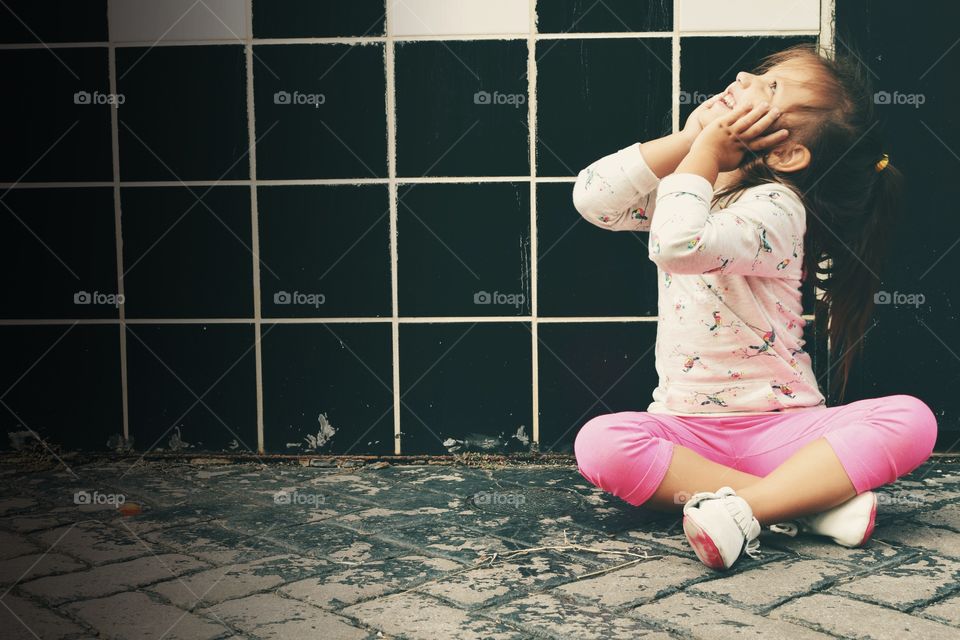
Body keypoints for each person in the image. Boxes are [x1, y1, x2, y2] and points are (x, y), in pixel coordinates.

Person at [571, 44, 938, 570]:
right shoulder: (700, 189)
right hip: (686, 430)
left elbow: (678, 246)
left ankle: (749, 506)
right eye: (762, 75)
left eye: (770, 88)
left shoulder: (777, 208)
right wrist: (687, 142)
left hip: (782, 430)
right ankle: (799, 506)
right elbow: (593, 199)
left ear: (788, 154)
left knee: (912, 419)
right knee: (601, 444)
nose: (743, 75)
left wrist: (699, 158)